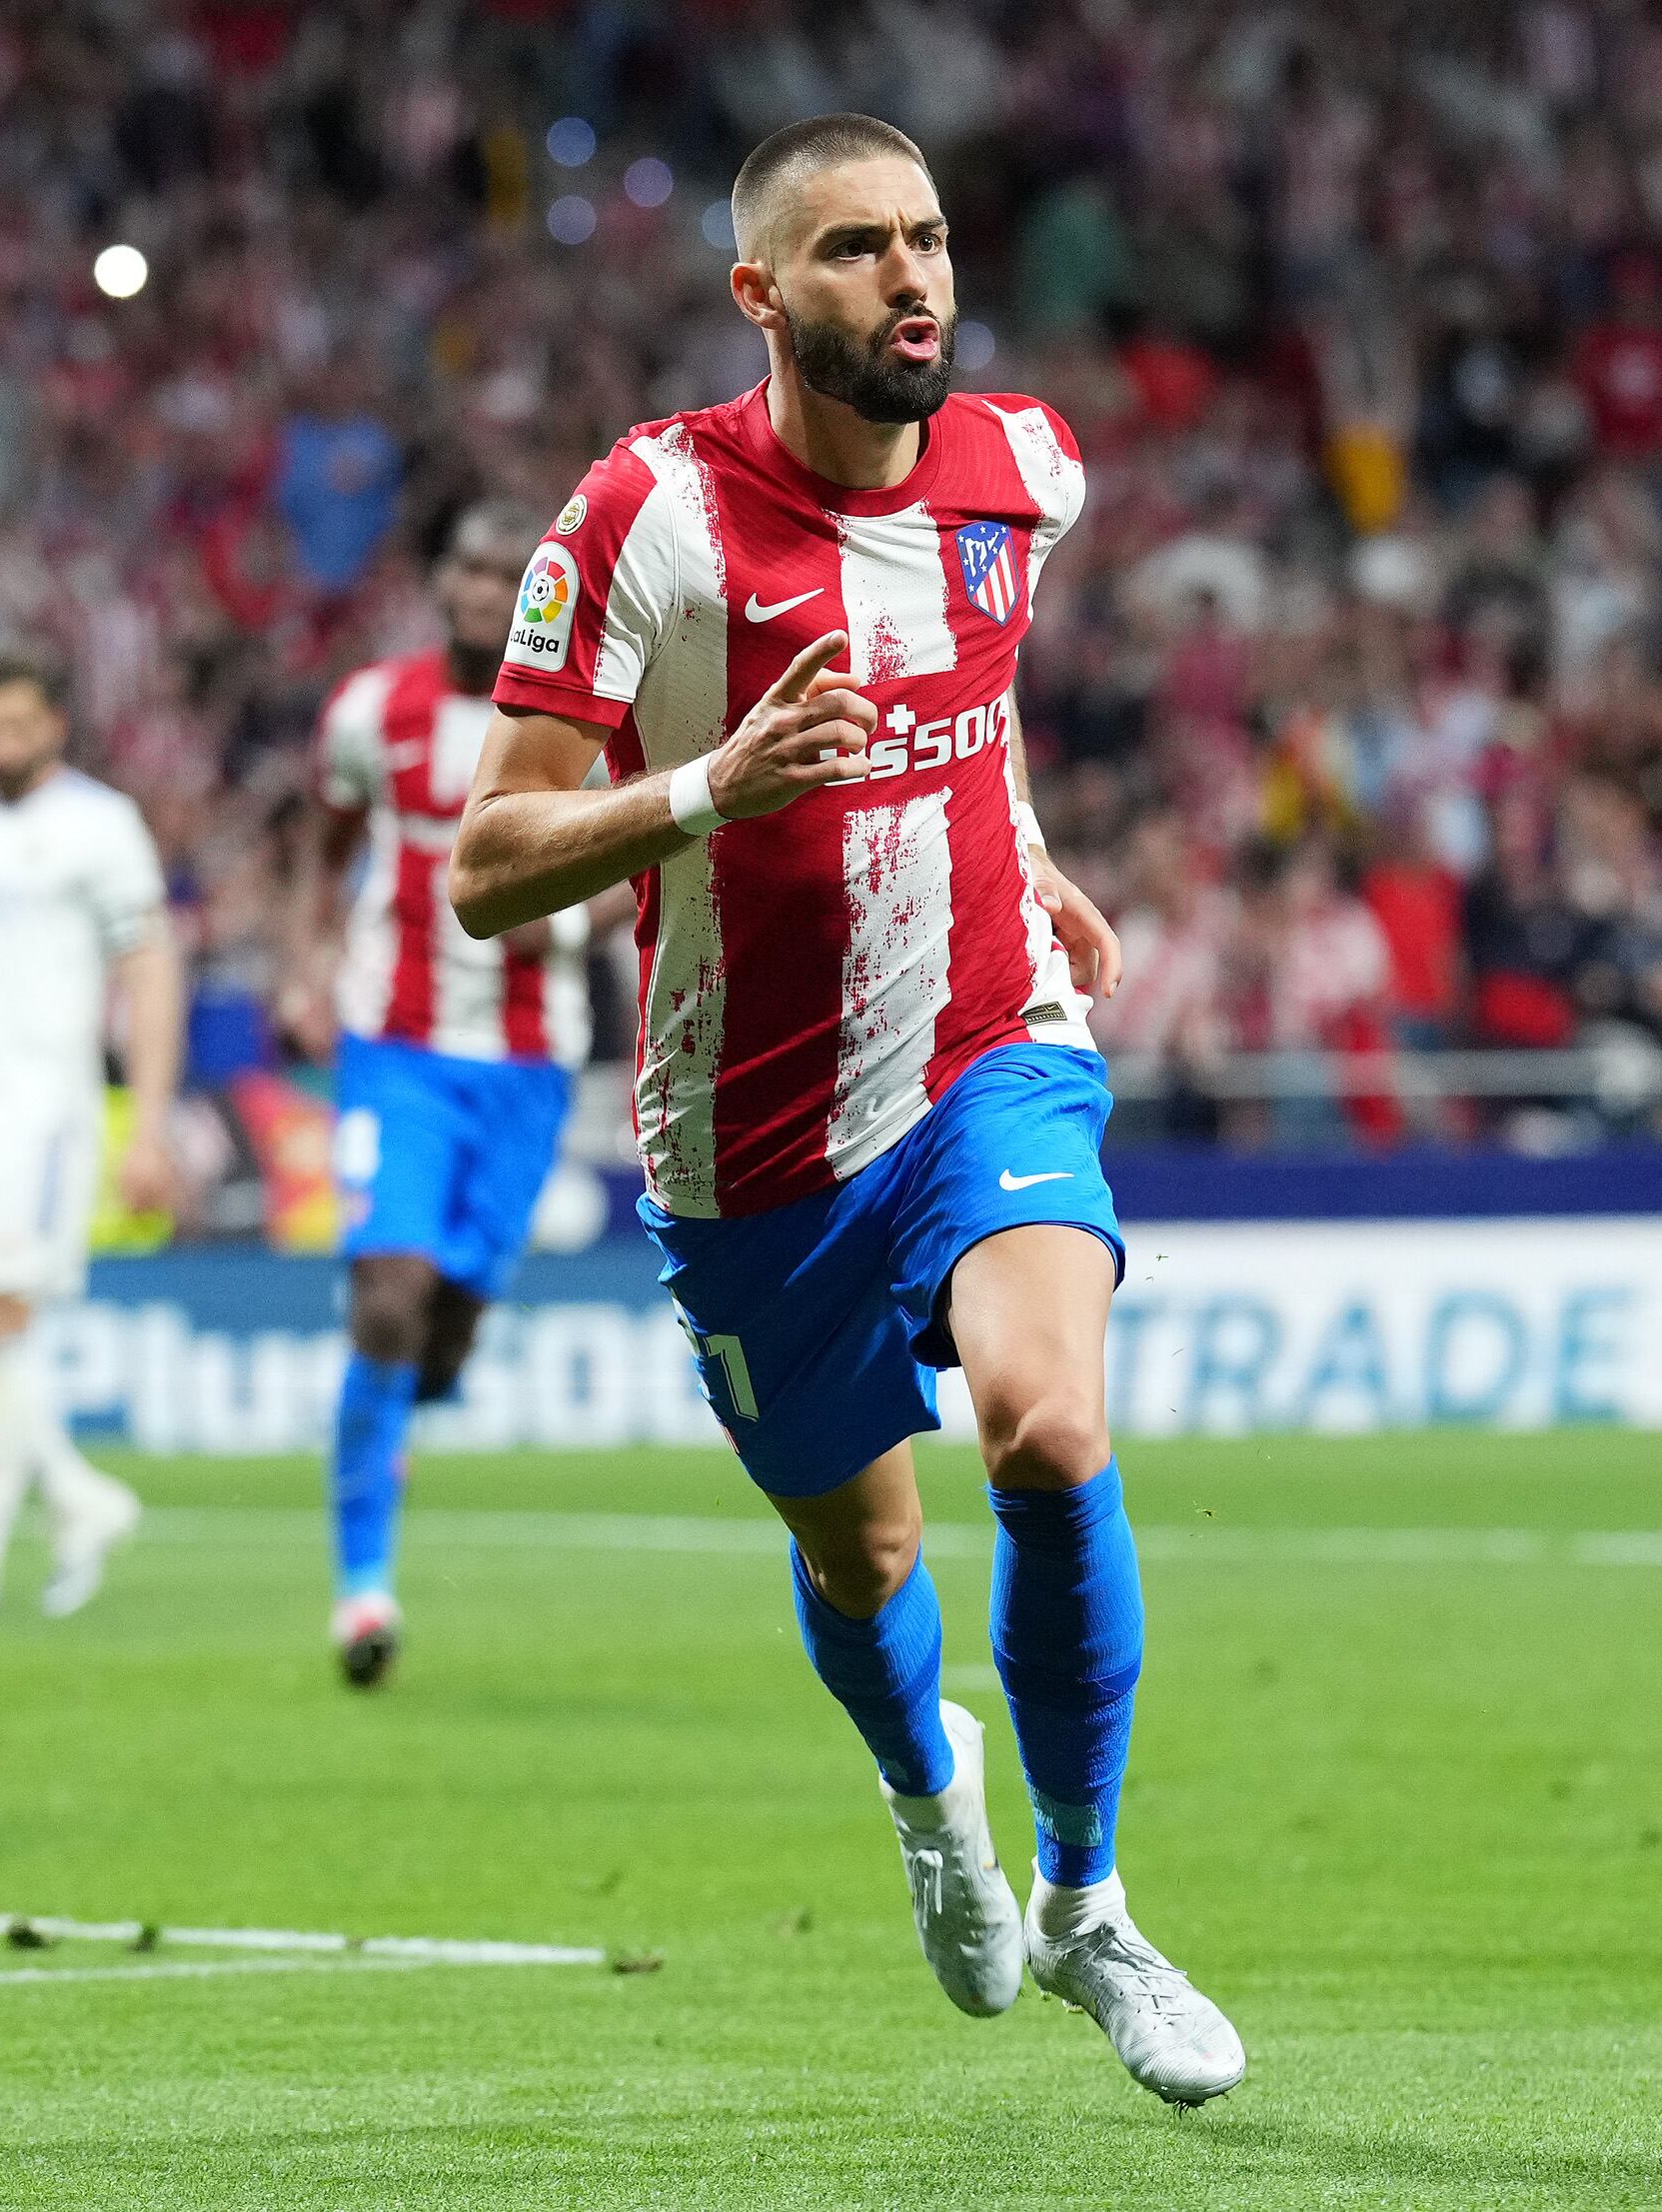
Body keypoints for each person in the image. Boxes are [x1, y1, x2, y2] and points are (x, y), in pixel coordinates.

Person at [446, 112, 1244, 2104]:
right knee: (867, 1556)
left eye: (931, 240)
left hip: (992, 1037)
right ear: (763, 294)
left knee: (1050, 1426)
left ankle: (1091, 1895)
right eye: (861, 249)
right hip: (752, 1133)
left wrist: (1027, 843)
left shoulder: (1022, 469)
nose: (915, 280)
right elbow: (490, 857)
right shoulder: (646, 513)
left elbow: (981, 692)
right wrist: (715, 786)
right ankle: (927, 1797)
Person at [285, 502, 600, 1687]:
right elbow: (323, 844)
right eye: (467, 566)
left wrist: (576, 907)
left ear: (543, 594)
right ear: (438, 580)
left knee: (449, 1325)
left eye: (507, 574)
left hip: (526, 1059)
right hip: (396, 1042)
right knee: (389, 1295)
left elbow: (643, 858)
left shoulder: (589, 720)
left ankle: (395, 1418)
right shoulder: (374, 710)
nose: (484, 590)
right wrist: (305, 962)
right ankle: (362, 1588)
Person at [0, 656, 183, 1624]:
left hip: (37, 1114)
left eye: (18, 722)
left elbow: (147, 972)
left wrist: (146, 1122)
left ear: (55, 722)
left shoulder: (100, 826)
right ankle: (76, 1497)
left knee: (2, 1320)